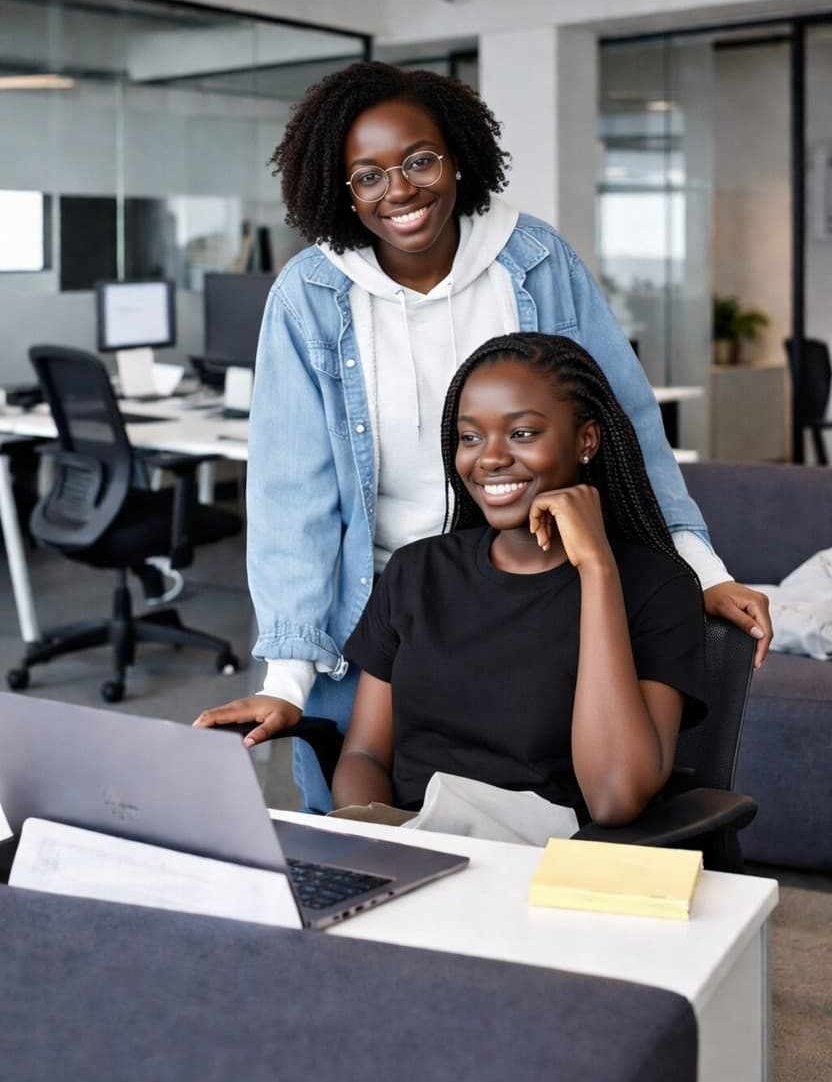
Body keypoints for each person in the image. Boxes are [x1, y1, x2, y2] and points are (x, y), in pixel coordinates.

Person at [193, 61, 769, 813]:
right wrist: (288, 680)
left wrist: (700, 565)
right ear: (340, 189)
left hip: (536, 585)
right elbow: (291, 497)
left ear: (458, 155)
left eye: (419, 161)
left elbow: (624, 426)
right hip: (386, 603)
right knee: (359, 835)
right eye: (367, 176)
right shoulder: (312, 293)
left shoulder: (533, 261)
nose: (398, 191)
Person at [333, 333, 706, 821]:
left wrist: (596, 569)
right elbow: (364, 755)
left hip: (550, 869)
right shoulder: (416, 570)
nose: (488, 458)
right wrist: (382, 836)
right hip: (415, 847)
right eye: (470, 437)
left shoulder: (658, 587)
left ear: (586, 440)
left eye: (522, 433)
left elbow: (616, 796)